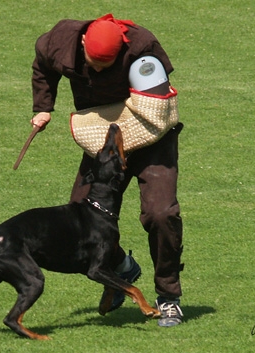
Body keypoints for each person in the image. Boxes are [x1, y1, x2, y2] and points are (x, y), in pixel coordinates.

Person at [30, 14, 184, 327]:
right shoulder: (61, 41)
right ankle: (122, 269)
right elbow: (43, 65)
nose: (99, 70)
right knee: (80, 217)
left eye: (107, 64)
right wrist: (43, 106)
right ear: (84, 42)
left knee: (160, 214)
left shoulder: (141, 46)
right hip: (105, 136)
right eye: (93, 63)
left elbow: (160, 98)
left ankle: (168, 298)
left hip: (150, 134)